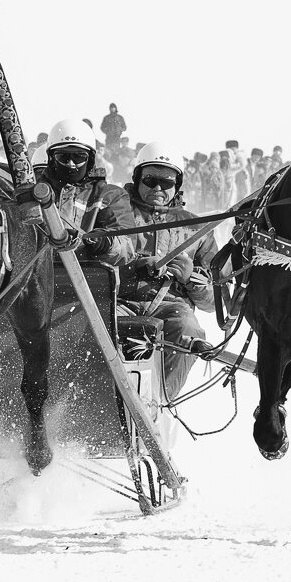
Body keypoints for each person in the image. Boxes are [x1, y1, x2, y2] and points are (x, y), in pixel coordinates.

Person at [118, 142, 217, 401]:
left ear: (178, 185)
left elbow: (214, 302)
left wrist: (189, 278)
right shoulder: (117, 214)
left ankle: (159, 403)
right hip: (118, 300)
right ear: (137, 179)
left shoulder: (197, 227)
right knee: (91, 325)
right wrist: (135, 265)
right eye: (151, 180)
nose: (159, 188)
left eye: (167, 182)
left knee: (189, 329)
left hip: (172, 307)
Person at [40, 118, 136, 266]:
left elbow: (128, 246)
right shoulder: (37, 193)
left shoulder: (109, 195)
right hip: (37, 275)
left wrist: (104, 242)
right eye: (63, 157)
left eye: (79, 157)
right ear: (52, 159)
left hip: (91, 279)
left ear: (90, 159)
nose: (71, 164)